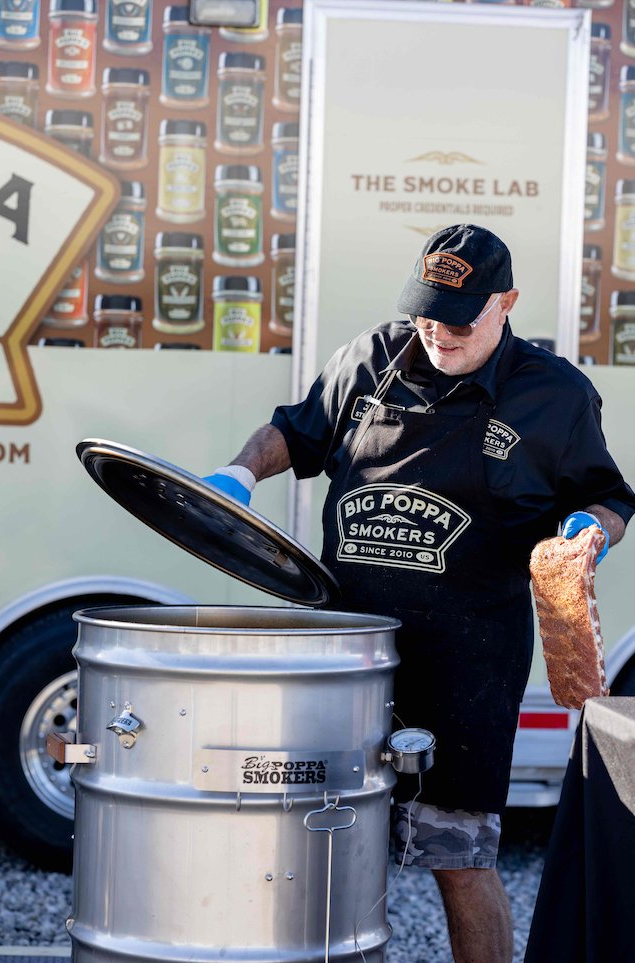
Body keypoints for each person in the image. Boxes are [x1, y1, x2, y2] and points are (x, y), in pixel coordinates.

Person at [204, 224, 635, 963]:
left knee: (459, 860)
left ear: (506, 303)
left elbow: (610, 498)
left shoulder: (552, 395)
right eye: (426, 312)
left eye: (458, 318)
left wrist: (584, 531)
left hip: (465, 670)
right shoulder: (369, 358)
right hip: (345, 661)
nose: (437, 332)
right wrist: (239, 473)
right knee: (319, 848)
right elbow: (294, 432)